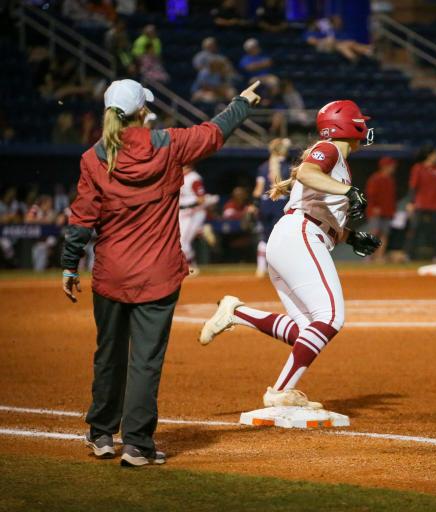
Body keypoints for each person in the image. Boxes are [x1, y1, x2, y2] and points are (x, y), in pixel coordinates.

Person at [60, 78, 261, 467]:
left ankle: (101, 434)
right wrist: (242, 102)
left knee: (109, 355)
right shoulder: (168, 143)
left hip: (111, 273)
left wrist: (70, 264)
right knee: (145, 361)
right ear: (142, 111)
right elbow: (214, 133)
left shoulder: (93, 157)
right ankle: (136, 445)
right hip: (158, 274)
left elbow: (82, 218)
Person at [198, 100, 380, 409]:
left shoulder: (335, 161)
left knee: (307, 330)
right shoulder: (331, 149)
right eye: (360, 121)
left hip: (293, 235)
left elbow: (318, 208)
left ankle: (237, 312)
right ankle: (280, 390)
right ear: (350, 125)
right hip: (300, 235)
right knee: (331, 318)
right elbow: (309, 173)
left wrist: (350, 237)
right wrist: (348, 192)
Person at [251, 137, 291, 278]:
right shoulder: (289, 167)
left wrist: (254, 205)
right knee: (280, 238)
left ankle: (261, 269)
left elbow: (258, 190)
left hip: (265, 204)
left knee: (264, 237)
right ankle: (279, 269)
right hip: (280, 204)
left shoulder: (263, 167)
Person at [408, 145, 436, 262]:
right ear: (429, 155)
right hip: (421, 204)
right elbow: (413, 187)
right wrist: (411, 202)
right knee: (415, 229)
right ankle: (409, 255)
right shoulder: (418, 168)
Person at [179, 164, 216, 276]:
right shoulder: (177, 176)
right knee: (178, 241)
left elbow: (201, 199)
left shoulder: (193, 178)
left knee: (183, 242)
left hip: (193, 212)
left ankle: (191, 267)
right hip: (182, 212)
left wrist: (189, 204)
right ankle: (201, 231)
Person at [365, 156, 397, 261]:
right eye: (391, 166)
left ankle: (379, 257)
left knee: (384, 235)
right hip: (376, 212)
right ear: (385, 166)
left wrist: (392, 210)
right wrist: (374, 206)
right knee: (374, 233)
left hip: (387, 211)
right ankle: (369, 257)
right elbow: (370, 195)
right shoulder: (375, 178)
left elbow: (392, 197)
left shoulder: (390, 180)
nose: (393, 168)